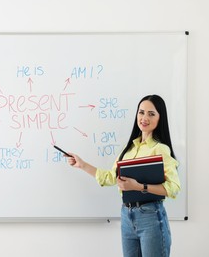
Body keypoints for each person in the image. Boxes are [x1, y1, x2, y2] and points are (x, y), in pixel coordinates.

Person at [67, 94, 181, 257]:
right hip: (127, 216)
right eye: (141, 112)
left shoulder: (160, 149)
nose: (144, 118)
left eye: (151, 114)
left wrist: (139, 187)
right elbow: (109, 178)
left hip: (150, 216)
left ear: (160, 118)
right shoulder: (128, 150)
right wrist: (82, 164)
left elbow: (174, 188)